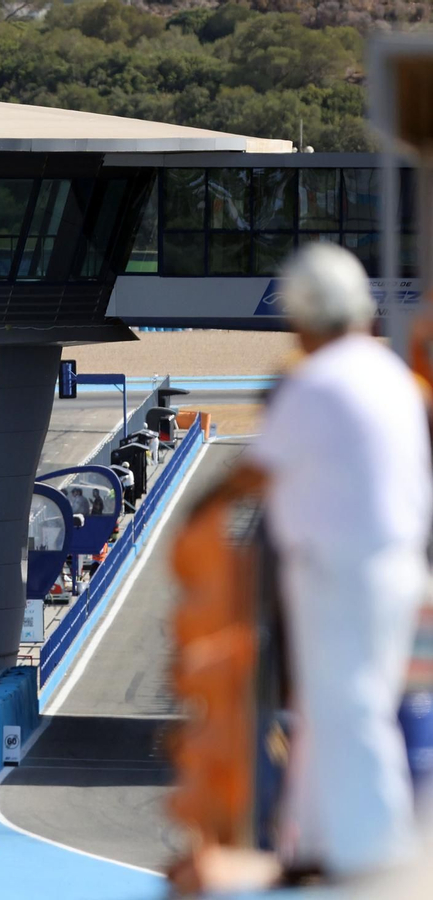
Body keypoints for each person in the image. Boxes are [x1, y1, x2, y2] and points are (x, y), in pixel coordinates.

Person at [197, 243, 430, 880]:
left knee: (345, 711)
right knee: (333, 714)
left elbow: (252, 473)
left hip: (338, 574)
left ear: (303, 316)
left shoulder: (318, 378)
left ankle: (371, 860)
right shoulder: (390, 374)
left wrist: (198, 514)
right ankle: (314, 849)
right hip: (389, 569)